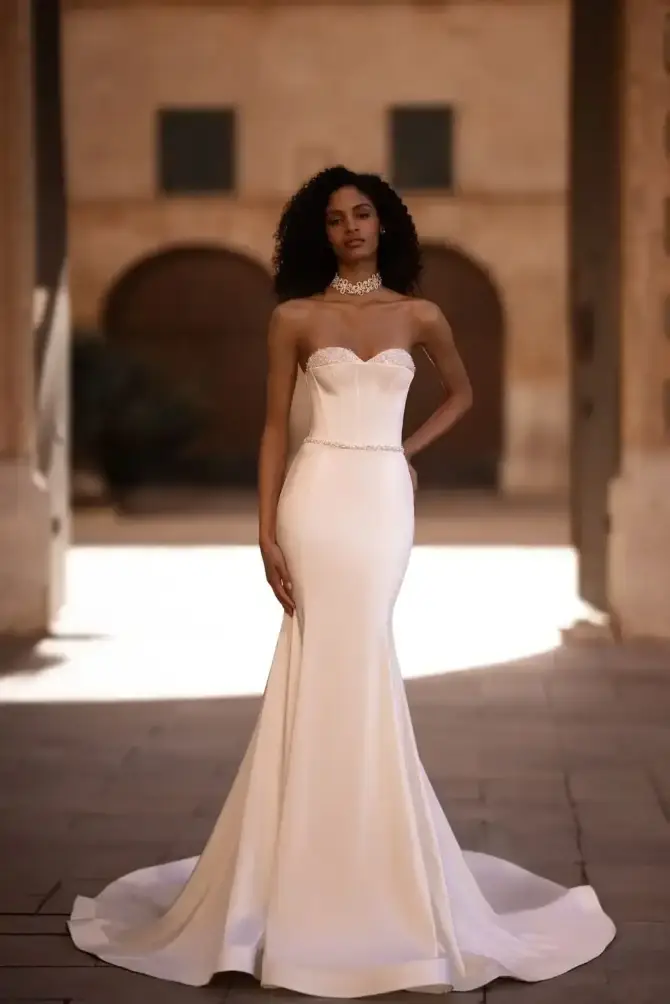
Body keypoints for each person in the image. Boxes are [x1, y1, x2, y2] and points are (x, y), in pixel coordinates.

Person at [68, 166, 615, 996]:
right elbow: (270, 432)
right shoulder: (294, 318)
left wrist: (407, 452)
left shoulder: (421, 313)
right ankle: (298, 877)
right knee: (317, 657)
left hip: (381, 498)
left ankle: (372, 864)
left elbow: (463, 392)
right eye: (334, 219)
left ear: (384, 224)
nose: (351, 228)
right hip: (315, 496)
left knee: (366, 660)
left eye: (362, 215)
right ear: (317, 233)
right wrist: (263, 531)